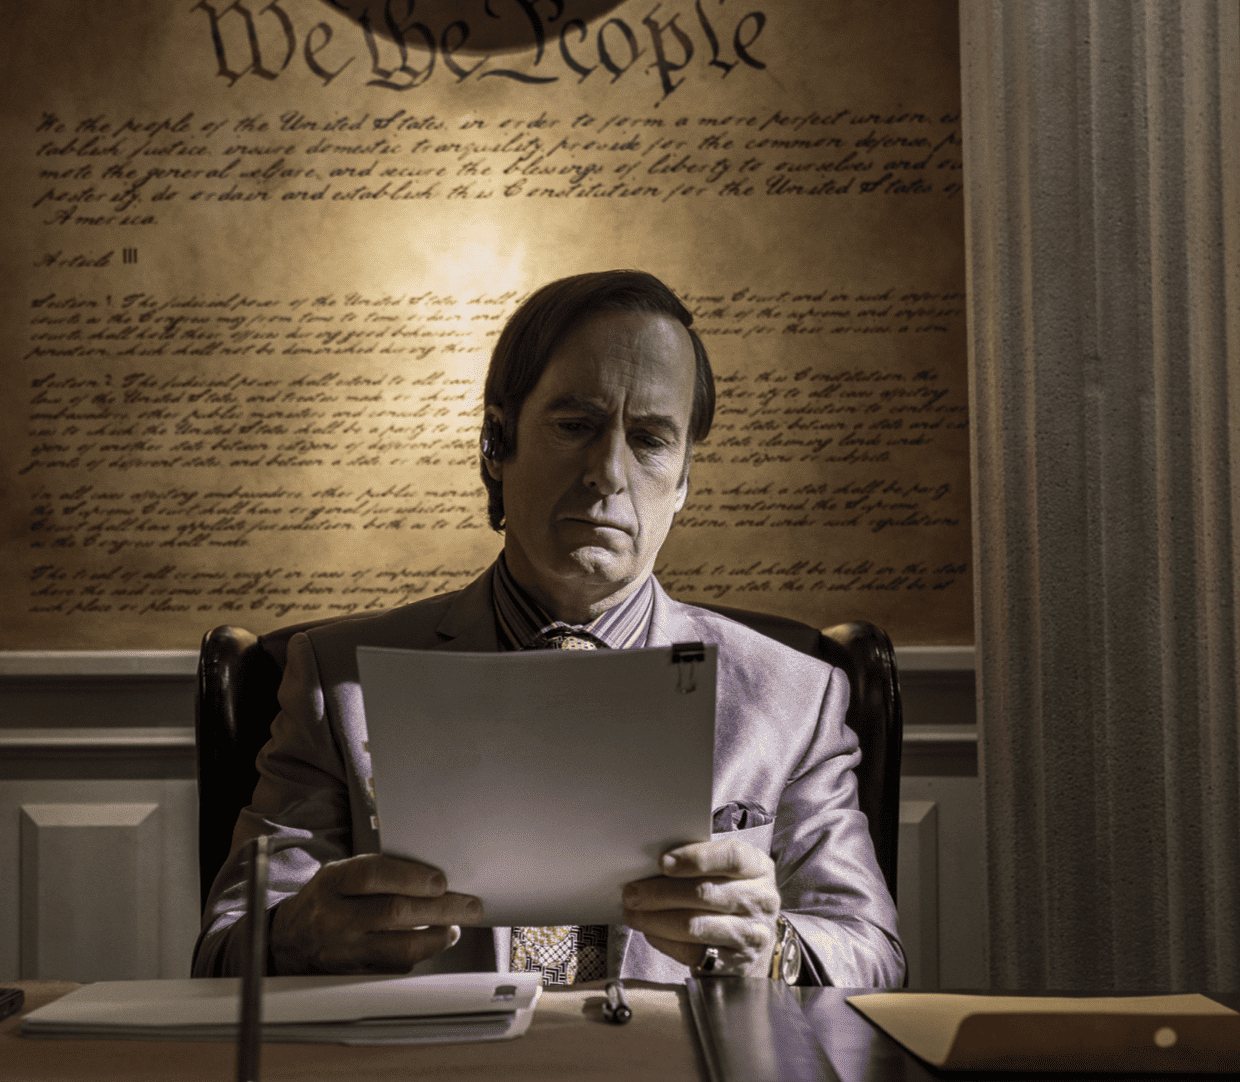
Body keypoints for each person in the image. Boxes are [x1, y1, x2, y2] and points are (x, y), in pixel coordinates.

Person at [192, 270, 903, 987]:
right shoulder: (335, 678)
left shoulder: (797, 697)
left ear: (685, 480)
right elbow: (223, 952)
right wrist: (299, 935)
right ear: (495, 445)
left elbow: (873, 955)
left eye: (651, 439)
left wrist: (771, 947)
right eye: (575, 426)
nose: (607, 473)